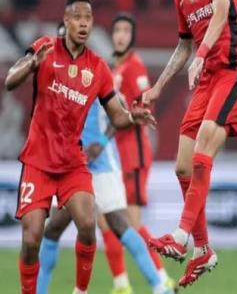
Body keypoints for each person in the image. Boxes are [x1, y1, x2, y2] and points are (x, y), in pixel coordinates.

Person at [4, 0, 155, 294]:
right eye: (78, 18)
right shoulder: (45, 48)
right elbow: (10, 81)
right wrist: (31, 64)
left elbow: (117, 116)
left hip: (73, 162)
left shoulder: (97, 67)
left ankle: (80, 291)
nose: (84, 24)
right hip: (38, 161)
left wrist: (132, 116)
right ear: (66, 20)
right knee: (32, 238)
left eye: (88, 18)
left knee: (87, 225)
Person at [142, 0, 237, 287]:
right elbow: (183, 46)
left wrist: (203, 53)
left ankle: (180, 236)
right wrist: (158, 87)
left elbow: (221, 12)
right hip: (206, 82)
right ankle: (203, 249)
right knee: (183, 167)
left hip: (233, 74)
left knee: (204, 148)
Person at [37, 98, 176, 294]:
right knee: (53, 228)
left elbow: (122, 111)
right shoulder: (61, 84)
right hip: (70, 165)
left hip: (102, 165)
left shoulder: (100, 81)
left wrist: (101, 143)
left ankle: (160, 287)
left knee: (120, 224)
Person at [110, 12, 172, 287]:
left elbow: (146, 105)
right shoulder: (116, 69)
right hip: (118, 155)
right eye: (117, 30)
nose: (121, 35)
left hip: (133, 154)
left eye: (126, 30)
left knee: (132, 224)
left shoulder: (134, 66)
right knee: (114, 221)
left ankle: (162, 279)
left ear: (133, 36)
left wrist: (131, 110)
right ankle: (123, 283)